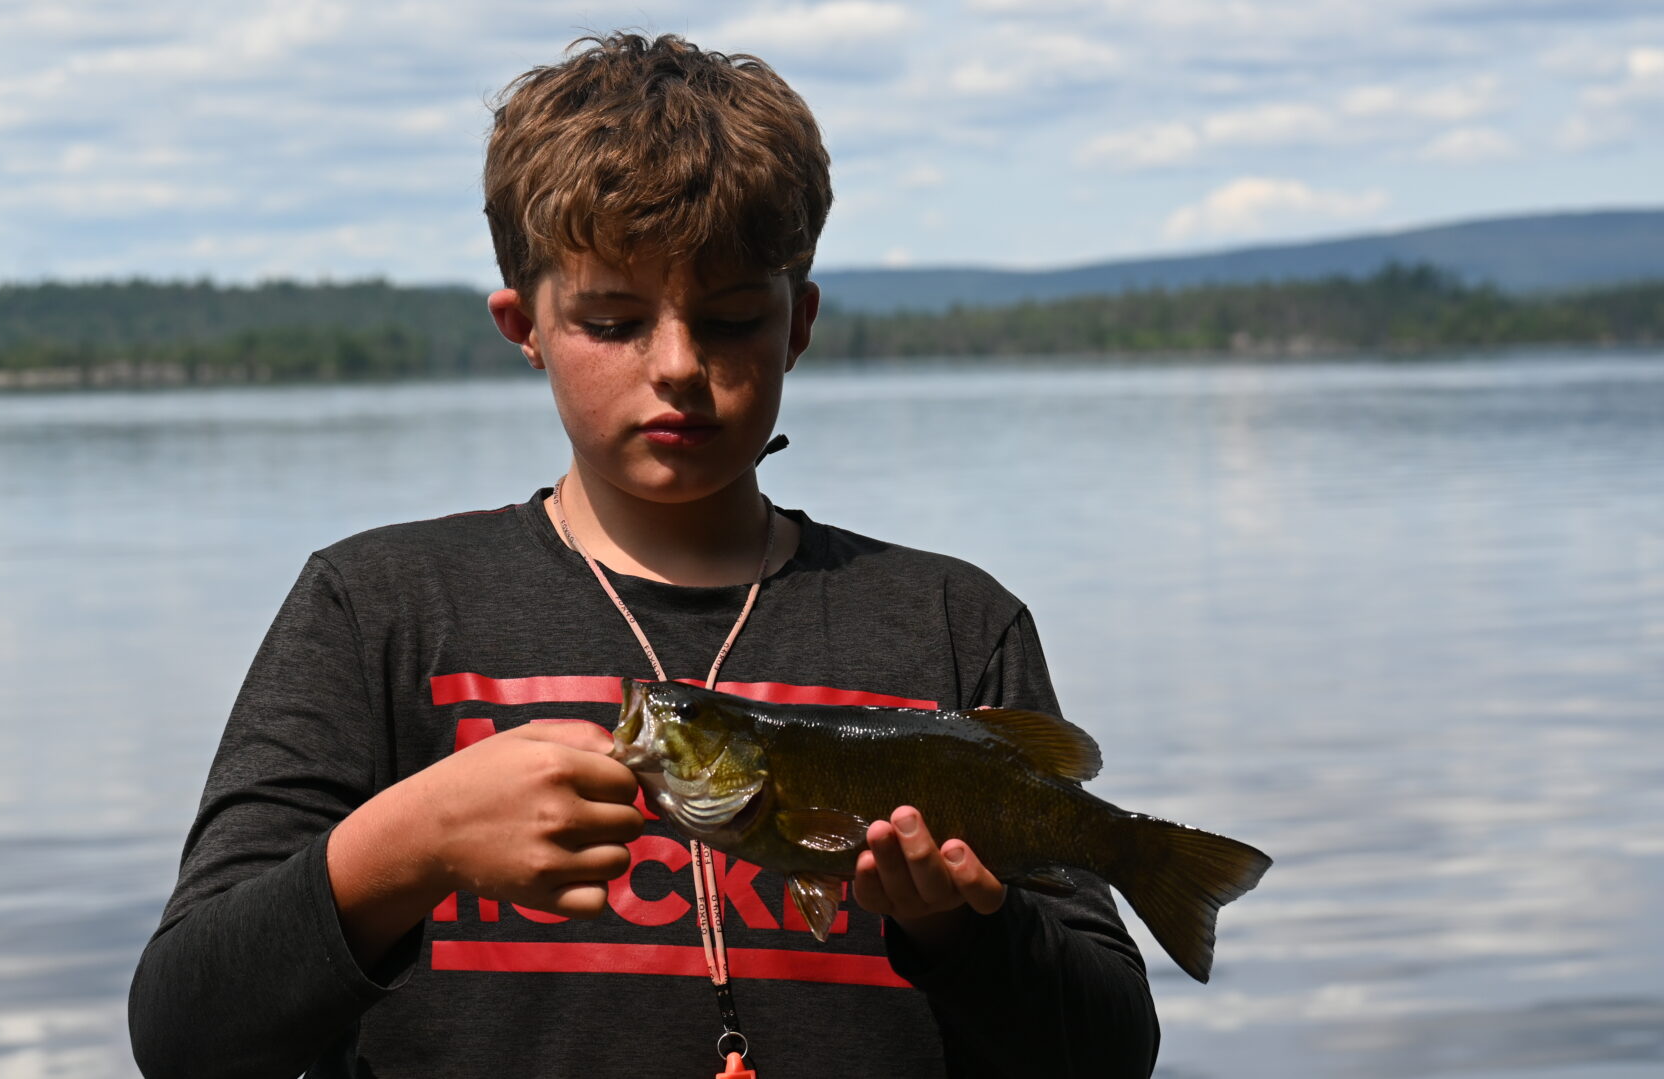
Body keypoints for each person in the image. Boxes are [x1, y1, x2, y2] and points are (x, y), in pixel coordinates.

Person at [129, 31, 1158, 1079]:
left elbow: (1111, 1049)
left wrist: (962, 932)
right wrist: (407, 842)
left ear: (796, 322)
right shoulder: (375, 609)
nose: (677, 366)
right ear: (523, 325)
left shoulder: (951, 622)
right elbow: (185, 1035)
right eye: (613, 320)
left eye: (729, 318)